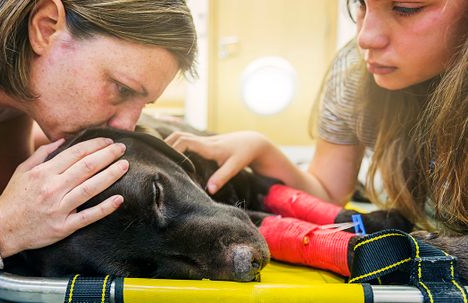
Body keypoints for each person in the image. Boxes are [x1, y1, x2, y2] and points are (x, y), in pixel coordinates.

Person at [0, 0, 196, 286]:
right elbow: (2, 223)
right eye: (122, 88)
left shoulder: (18, 97)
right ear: (46, 27)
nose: (126, 126)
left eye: (143, 104)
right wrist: (0, 230)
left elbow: (2, 204)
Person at [166, 0, 468, 235]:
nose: (366, 38)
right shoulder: (355, 73)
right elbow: (328, 195)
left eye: (406, 8)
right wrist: (260, 148)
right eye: (360, 5)